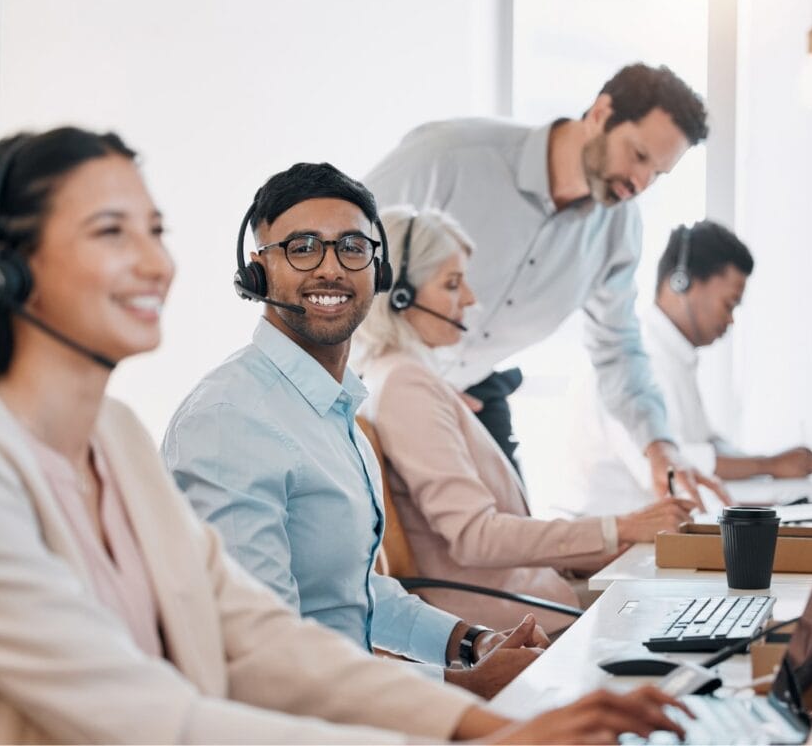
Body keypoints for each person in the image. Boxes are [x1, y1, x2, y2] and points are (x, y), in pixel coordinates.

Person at [0, 128, 687, 744]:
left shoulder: (113, 438)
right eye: (112, 232)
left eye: (156, 231)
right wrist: (470, 731)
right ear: (7, 268)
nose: (156, 264)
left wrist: (479, 720)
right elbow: (132, 706)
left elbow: (254, 634)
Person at [166, 163, 551, 701]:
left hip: (355, 707)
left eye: (351, 247)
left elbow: (352, 593)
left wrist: (473, 643)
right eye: (302, 248)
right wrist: (460, 686)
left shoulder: (334, 408)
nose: (331, 268)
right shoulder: (228, 421)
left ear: (379, 270)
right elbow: (262, 656)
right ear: (257, 272)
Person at [363, 62, 730, 509]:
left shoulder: (618, 231)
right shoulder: (449, 156)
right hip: (372, 379)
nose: (640, 184)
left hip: (473, 391)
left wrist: (659, 446)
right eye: (638, 156)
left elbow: (618, 349)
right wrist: (395, 378)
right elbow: (342, 252)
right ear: (601, 113)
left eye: (658, 174)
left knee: (513, 533)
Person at [353, 207, 696, 632]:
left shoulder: (396, 377)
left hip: (526, 595)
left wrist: (604, 543)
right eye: (452, 284)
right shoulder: (406, 385)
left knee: (676, 592)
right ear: (400, 296)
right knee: (683, 605)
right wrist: (620, 527)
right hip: (510, 619)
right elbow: (475, 537)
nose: (471, 299)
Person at [557, 220, 812, 518]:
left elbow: (705, 443)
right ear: (681, 282)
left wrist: (772, 466)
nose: (731, 320)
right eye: (729, 304)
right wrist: (767, 465)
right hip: (616, 531)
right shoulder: (638, 358)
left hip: (653, 524)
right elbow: (675, 465)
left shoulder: (676, 356)